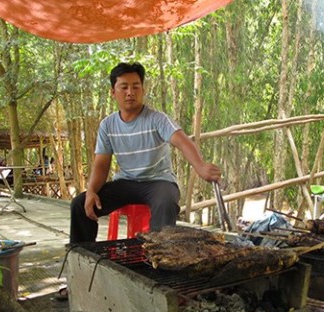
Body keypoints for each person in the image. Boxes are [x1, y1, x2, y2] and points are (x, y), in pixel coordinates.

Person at [69, 62, 221, 244]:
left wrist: (201, 166)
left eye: (135, 86)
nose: (130, 92)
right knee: (80, 204)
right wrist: (92, 191)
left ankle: (159, 257)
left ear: (143, 89)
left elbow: (182, 141)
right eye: (124, 87)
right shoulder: (107, 125)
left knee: (165, 202)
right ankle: (83, 257)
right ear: (113, 92)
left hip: (159, 182)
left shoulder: (157, 119)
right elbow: (101, 164)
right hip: (126, 183)